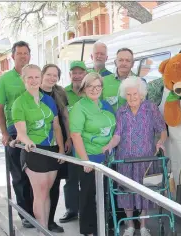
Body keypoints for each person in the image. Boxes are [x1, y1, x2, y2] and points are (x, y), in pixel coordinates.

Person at [103, 77, 167, 236]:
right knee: (126, 193)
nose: (132, 98)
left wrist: (160, 142)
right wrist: (109, 145)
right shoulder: (121, 112)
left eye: (135, 94)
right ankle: (130, 225)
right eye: (129, 94)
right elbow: (117, 136)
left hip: (146, 160)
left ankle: (144, 226)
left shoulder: (150, 108)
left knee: (145, 193)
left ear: (142, 94)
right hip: (125, 160)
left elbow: (162, 130)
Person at [11, 64, 65, 234]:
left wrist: (61, 149)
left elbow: (56, 126)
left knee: (47, 192)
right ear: (24, 80)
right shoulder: (19, 103)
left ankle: (45, 228)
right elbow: (21, 132)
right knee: (40, 193)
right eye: (30, 77)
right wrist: (28, 142)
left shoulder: (49, 100)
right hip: (34, 151)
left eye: (36, 77)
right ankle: (42, 231)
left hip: (52, 149)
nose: (34, 81)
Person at [69, 72, 116, 236]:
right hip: (88, 158)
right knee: (88, 194)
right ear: (84, 87)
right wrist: (85, 161)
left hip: (108, 159)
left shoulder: (105, 105)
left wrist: (110, 146)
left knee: (106, 194)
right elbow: (75, 135)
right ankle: (89, 230)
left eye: (98, 86)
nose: (94, 89)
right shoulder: (79, 107)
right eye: (90, 86)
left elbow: (115, 129)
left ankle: (104, 226)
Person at [0, 41, 34, 228]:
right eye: (20, 53)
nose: (23, 56)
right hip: (14, 129)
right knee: (19, 175)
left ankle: (38, 213)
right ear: (13, 56)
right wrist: (4, 133)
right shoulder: (4, 80)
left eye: (26, 53)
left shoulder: (34, 74)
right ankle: (25, 214)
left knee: (35, 174)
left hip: (35, 128)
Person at [39, 64, 69, 233]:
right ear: (42, 75)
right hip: (40, 143)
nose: (51, 78)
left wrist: (69, 138)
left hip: (58, 143)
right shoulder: (35, 93)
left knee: (55, 183)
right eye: (49, 74)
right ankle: (38, 220)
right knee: (39, 186)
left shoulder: (60, 93)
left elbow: (65, 117)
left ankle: (50, 221)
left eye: (55, 75)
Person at [59, 61, 86, 223]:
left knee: (88, 177)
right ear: (70, 75)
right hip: (70, 141)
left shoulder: (90, 91)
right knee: (70, 178)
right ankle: (71, 210)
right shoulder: (63, 93)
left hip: (88, 142)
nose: (77, 76)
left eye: (80, 72)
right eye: (73, 73)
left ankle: (89, 208)